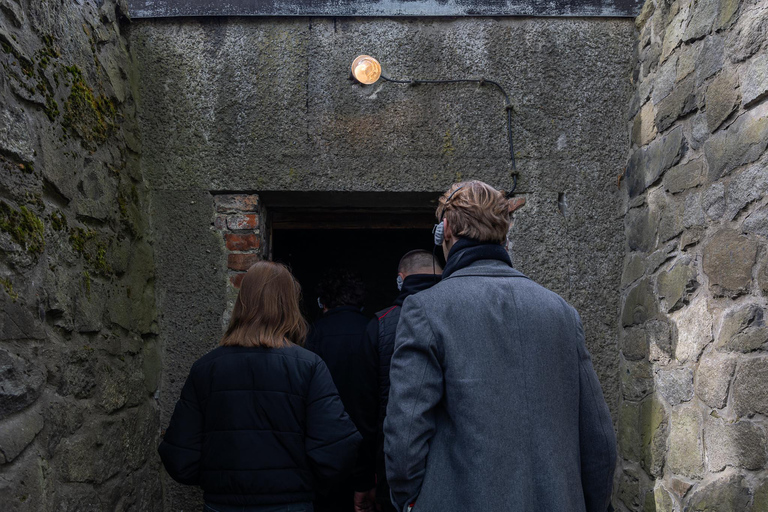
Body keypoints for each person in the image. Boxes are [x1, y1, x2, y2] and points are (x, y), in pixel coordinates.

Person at [384, 181, 617, 512]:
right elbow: (600, 442)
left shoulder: (426, 310)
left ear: (445, 230)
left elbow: (405, 437)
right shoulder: (560, 311)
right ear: (504, 233)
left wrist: (407, 502)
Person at [158, 261, 362, 512]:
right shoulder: (309, 366)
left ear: (242, 303)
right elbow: (338, 448)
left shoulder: (206, 368)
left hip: (223, 505)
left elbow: (179, 455)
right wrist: (305, 482)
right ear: (289, 305)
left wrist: (219, 479)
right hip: (290, 504)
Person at [365, 250, 442, 512]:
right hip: (448, 467)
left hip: (391, 466)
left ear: (401, 279)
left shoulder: (381, 324)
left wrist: (366, 478)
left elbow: (367, 408)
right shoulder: (455, 316)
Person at [306, 270, 377, 512]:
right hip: (367, 450)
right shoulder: (374, 331)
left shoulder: (312, 334)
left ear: (322, 302)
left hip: (321, 455)